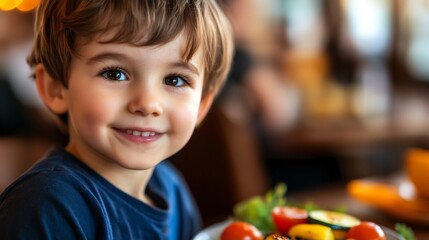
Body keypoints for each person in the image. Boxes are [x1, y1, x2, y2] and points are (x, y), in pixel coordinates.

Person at [0, 0, 234, 239]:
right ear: (56, 88)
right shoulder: (47, 205)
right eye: (115, 74)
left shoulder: (172, 188)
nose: (147, 104)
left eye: (175, 80)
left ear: (202, 105)